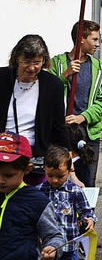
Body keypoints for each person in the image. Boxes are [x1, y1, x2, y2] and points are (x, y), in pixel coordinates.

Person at [0, 34, 68, 185]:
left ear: (44, 61)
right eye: (26, 62)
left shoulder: (52, 85)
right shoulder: (2, 78)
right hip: (3, 156)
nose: (31, 68)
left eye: (37, 62)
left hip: (35, 159)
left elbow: (59, 128)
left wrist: (67, 161)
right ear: (17, 59)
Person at [50, 20, 102, 188]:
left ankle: (87, 214)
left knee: (87, 182)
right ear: (81, 39)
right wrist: (65, 75)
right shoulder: (57, 63)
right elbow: (48, 92)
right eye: (94, 39)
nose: (97, 44)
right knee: (61, 181)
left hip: (89, 134)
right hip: (62, 134)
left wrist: (82, 117)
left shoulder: (99, 68)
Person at [0, 131, 64, 260]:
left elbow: (53, 236)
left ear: (27, 169)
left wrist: (52, 248)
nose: (1, 180)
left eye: (8, 175)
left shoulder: (37, 201)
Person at [36, 145, 97, 260]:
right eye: (50, 175)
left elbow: (86, 211)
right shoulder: (39, 191)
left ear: (69, 171)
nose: (55, 180)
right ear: (44, 169)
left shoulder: (74, 190)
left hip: (68, 246)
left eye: (60, 176)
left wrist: (89, 219)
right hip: (47, 248)